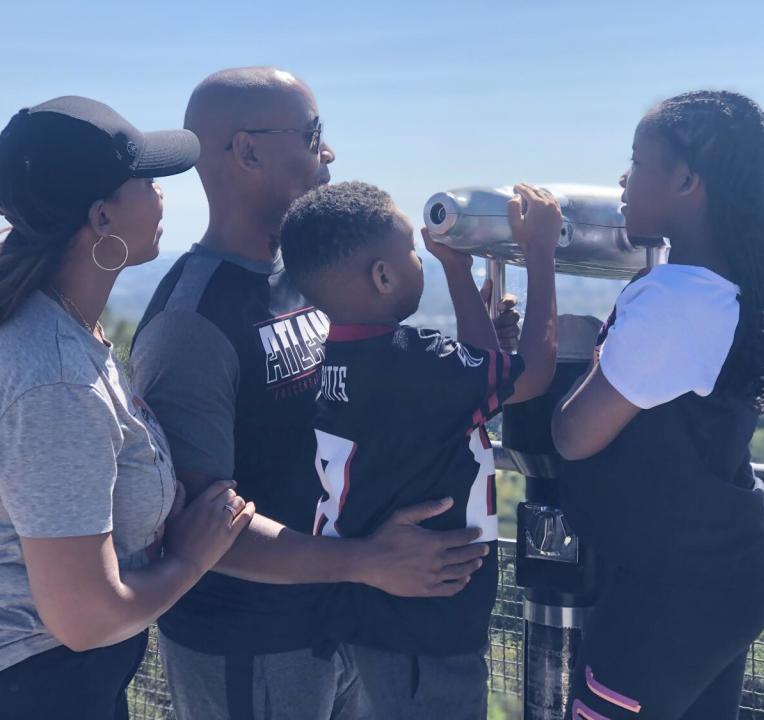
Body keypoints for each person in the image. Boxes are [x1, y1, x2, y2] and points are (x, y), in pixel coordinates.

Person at [130, 67, 519, 720]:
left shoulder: (304, 279)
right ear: (248, 152)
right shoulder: (191, 323)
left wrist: (471, 362)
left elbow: (361, 399)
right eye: (313, 133)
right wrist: (365, 560)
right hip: (248, 646)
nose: (328, 151)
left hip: (336, 619)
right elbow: (197, 524)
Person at [0, 96, 256, 720]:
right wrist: (191, 557)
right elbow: (85, 617)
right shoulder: (51, 376)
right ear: (101, 216)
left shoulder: (36, 327)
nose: (163, 198)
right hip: (18, 690)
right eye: (149, 182)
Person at [550, 90, 764, 719]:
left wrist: (543, 265)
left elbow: (573, 435)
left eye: (638, 162)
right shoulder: (728, 282)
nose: (624, 177)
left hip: (673, 594)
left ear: (687, 180)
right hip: (725, 572)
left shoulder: (673, 300)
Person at [278, 181, 559, 719]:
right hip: (425, 632)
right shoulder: (414, 365)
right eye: (411, 249)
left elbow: (480, 368)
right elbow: (534, 376)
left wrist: (458, 272)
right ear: (382, 277)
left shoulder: (344, 357)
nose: (418, 258)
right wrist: (540, 256)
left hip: (381, 616)